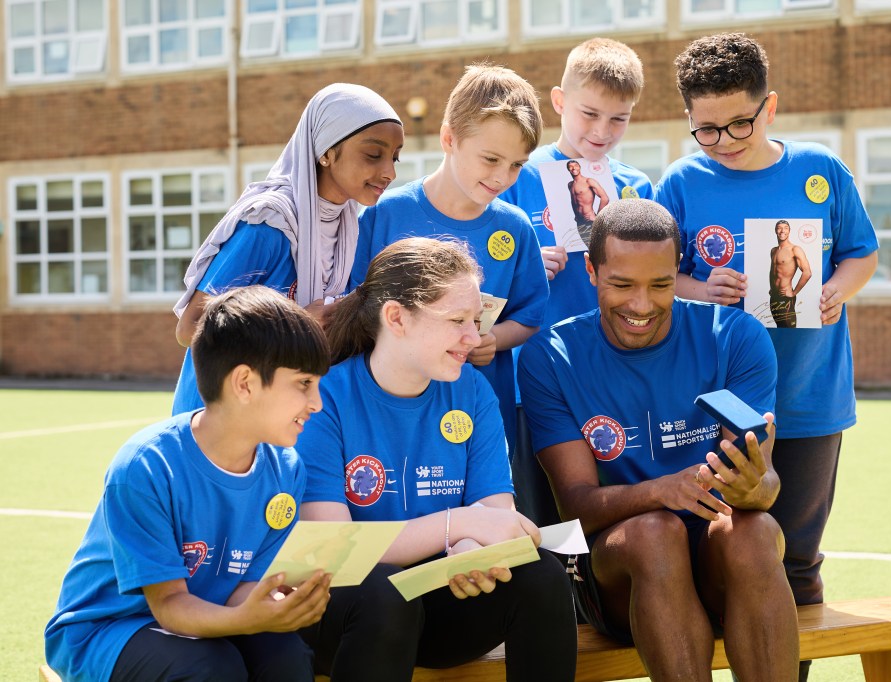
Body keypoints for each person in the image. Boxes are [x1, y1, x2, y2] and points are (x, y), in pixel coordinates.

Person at [654, 32, 878, 679]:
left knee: (797, 562)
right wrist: (701, 286)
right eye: (705, 130)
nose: (722, 141)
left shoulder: (821, 171)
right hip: (713, 404)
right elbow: (656, 278)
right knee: (718, 553)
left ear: (769, 107)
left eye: (738, 124)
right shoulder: (681, 181)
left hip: (811, 401)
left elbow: (861, 252)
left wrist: (837, 286)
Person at [518, 199, 798, 681]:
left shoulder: (735, 335)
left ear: (677, 272)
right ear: (591, 270)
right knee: (654, 533)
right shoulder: (550, 357)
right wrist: (660, 491)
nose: (641, 305)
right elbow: (574, 509)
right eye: (622, 284)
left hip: (718, 572)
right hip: (619, 577)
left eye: (661, 284)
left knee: (753, 532)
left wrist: (752, 486)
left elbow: (764, 489)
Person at [296, 238, 577, 682]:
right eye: (456, 321)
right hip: (347, 615)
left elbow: (493, 515)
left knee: (540, 575)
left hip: (437, 602)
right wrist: (458, 526)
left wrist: (469, 552)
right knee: (384, 596)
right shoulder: (323, 397)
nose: (475, 336)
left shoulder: (472, 391)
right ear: (396, 317)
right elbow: (334, 548)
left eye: (477, 320)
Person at [45, 286, 333, 682]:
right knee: (210, 667)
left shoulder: (287, 469)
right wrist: (244, 619)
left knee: (285, 655)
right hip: (111, 628)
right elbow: (169, 605)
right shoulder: (147, 465)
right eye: (303, 384)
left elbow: (242, 588)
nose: (317, 402)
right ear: (245, 383)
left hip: (209, 614)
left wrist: (277, 605)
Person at [350, 64, 549, 457]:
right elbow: (354, 305)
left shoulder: (516, 226)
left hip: (479, 413)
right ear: (449, 138)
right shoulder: (385, 213)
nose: (503, 176)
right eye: (490, 159)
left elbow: (530, 315)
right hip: (391, 408)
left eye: (516, 165)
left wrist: (493, 339)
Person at [170, 83, 404, 415]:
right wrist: (298, 325)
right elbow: (192, 327)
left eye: (395, 157)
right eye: (373, 154)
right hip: (218, 419)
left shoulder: (350, 226)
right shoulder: (269, 225)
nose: (390, 172)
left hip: (279, 417)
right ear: (325, 151)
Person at [501, 37, 652, 328]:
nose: (602, 131)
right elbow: (485, 264)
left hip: (616, 348)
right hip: (537, 349)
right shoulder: (517, 175)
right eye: (590, 114)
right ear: (560, 101)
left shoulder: (637, 186)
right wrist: (523, 267)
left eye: (619, 119)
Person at [769, 219, 812, 328]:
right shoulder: (773, 250)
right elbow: (773, 271)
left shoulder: (795, 249)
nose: (782, 231)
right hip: (774, 296)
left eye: (785, 228)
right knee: (779, 328)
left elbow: (807, 272)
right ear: (775, 231)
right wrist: (772, 288)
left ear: (789, 231)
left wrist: (794, 293)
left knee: (788, 330)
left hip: (786, 297)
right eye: (779, 228)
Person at [566, 159, 610, 245]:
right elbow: (574, 201)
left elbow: (605, 198)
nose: (573, 168)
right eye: (570, 167)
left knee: (597, 249)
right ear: (568, 169)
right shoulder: (570, 185)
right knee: (589, 249)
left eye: (576, 166)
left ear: (579, 167)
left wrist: (598, 218)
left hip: (590, 221)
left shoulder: (589, 181)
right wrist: (576, 216)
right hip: (580, 222)